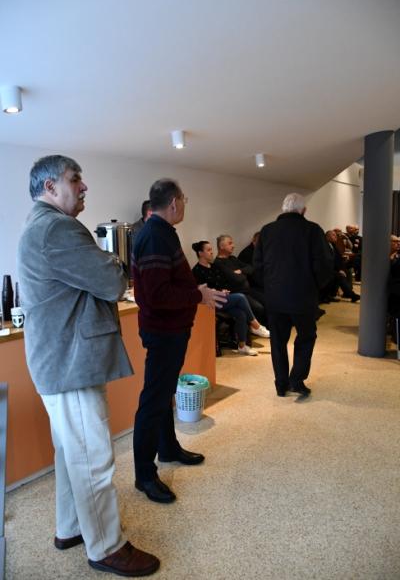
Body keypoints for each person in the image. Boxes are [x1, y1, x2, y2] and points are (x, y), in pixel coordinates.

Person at [17, 155, 160, 577]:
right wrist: (114, 261)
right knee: (93, 459)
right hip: (71, 363)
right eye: (74, 179)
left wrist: (104, 261)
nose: (83, 187)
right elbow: (113, 283)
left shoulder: (39, 225)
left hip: (59, 362)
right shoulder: (57, 228)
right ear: (49, 187)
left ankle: (71, 528)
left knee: (70, 453)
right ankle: (106, 547)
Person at [132, 178, 226, 504]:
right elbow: (158, 294)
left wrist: (196, 292)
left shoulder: (162, 232)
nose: (185, 204)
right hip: (163, 331)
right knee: (153, 401)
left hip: (170, 329)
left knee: (163, 395)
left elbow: (167, 284)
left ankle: (168, 448)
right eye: (184, 199)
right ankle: (144, 475)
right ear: (174, 202)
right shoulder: (154, 236)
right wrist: (197, 295)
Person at [254, 193, 333, 397]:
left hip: (275, 297)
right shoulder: (313, 230)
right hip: (303, 297)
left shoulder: (266, 230)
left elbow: (258, 265)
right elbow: (324, 264)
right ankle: (296, 380)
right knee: (306, 337)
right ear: (303, 210)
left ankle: (281, 384)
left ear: (283, 208)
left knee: (277, 342)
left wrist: (269, 287)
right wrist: (316, 287)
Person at [192, 240, 270, 356]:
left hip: (222, 298)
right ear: (200, 253)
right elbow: (201, 291)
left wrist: (223, 290)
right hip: (211, 302)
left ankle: (242, 346)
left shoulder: (214, 266)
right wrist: (218, 291)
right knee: (240, 297)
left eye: (211, 249)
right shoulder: (196, 271)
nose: (212, 252)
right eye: (208, 250)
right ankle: (256, 326)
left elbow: (223, 282)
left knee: (241, 313)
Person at [214, 234, 268, 326]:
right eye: (230, 243)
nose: (233, 245)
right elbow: (237, 279)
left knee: (267, 301)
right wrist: (244, 275)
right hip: (237, 293)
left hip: (248, 290)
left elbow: (251, 268)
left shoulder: (232, 258)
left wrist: (241, 271)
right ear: (221, 246)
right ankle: (256, 328)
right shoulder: (218, 263)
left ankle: (269, 328)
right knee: (259, 308)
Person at [325, 230, 360, 302]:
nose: (336, 236)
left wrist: (342, 268)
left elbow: (338, 257)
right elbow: (329, 261)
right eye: (333, 235)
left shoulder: (333, 245)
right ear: (327, 236)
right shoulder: (324, 246)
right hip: (327, 268)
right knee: (339, 275)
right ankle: (351, 294)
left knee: (348, 270)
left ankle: (348, 292)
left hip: (334, 268)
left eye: (336, 235)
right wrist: (339, 270)